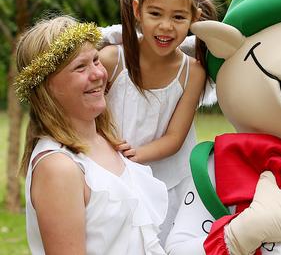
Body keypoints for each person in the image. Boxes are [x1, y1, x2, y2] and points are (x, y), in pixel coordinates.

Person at [99, 0, 218, 241]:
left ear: (194, 17)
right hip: (110, 173)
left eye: (178, 17)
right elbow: (91, 115)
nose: (166, 26)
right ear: (137, 10)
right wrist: (111, 152)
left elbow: (175, 137)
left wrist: (134, 156)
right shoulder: (112, 60)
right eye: (156, 14)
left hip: (166, 181)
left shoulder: (192, 72)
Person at [17, 15, 168, 255]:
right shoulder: (59, 168)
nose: (98, 74)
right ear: (47, 87)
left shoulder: (106, 140)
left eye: (96, 60)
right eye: (80, 67)